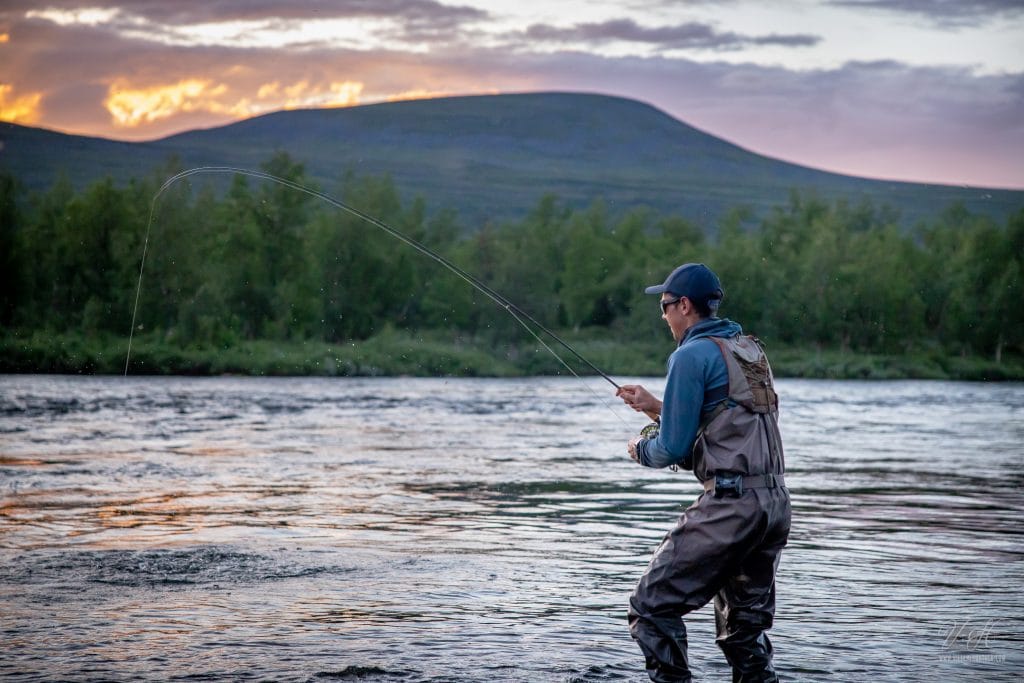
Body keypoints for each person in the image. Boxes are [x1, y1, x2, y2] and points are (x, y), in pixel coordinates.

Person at [616, 262, 791, 683]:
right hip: (774, 506)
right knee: (742, 634)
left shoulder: (689, 355)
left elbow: (672, 448)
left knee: (651, 607)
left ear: (685, 306)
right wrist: (657, 406)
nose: (663, 316)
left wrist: (639, 449)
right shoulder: (747, 349)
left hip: (731, 507)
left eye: (665, 306)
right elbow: (727, 415)